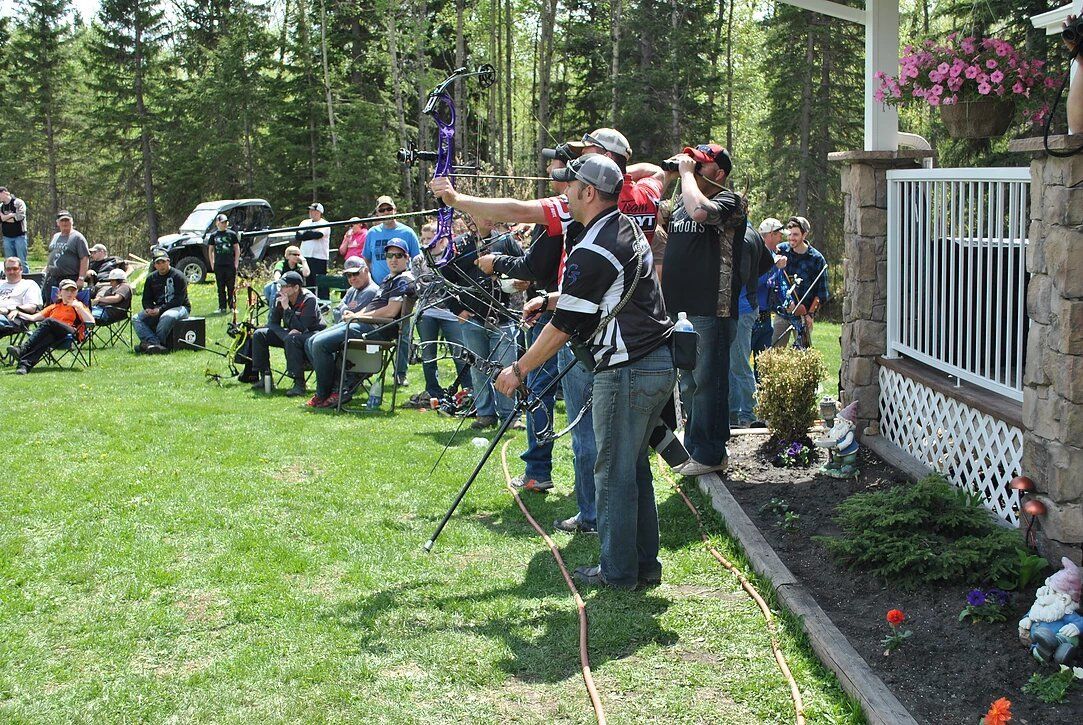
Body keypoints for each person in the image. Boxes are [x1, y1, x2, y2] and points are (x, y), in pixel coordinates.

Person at [431, 127, 666, 528]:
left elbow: (519, 210)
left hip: (594, 332)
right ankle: (607, 519)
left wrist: (457, 199)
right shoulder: (642, 194)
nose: (570, 174)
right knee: (621, 442)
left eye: (583, 158)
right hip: (619, 315)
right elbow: (658, 171)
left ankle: (595, 516)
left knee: (591, 433)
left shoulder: (589, 203)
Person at [493, 155, 675, 589]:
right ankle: (644, 566)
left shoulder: (595, 246)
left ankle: (617, 572)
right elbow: (601, 293)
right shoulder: (623, 227)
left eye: (569, 185)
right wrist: (554, 298)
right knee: (633, 469)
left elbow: (562, 330)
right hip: (654, 364)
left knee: (611, 471)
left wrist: (518, 369)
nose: (563, 192)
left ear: (588, 192)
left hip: (627, 370)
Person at [661, 144, 769, 476]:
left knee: (709, 382)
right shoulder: (681, 201)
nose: (692, 168)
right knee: (690, 382)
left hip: (712, 310)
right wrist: (667, 176)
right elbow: (652, 215)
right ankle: (695, 447)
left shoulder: (730, 202)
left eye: (701, 165)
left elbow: (700, 213)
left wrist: (685, 175)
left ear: (719, 174)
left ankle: (711, 453)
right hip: (680, 311)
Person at [304, 248, 414, 408]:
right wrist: (355, 315)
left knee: (319, 344)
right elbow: (371, 307)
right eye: (389, 255)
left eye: (398, 256)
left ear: (406, 258)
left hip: (378, 330)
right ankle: (338, 389)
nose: (393, 259)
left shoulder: (404, 280)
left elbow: (391, 312)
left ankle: (328, 392)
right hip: (364, 324)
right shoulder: (389, 279)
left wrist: (357, 317)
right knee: (311, 340)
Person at [443, 217, 523, 429]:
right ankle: (485, 414)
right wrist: (456, 309)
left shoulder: (506, 242)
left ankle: (511, 416)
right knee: (478, 369)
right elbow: (444, 279)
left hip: (504, 317)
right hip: (472, 319)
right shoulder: (458, 246)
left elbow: (525, 268)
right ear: (470, 217)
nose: (486, 218)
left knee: (508, 368)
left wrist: (519, 282)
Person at [363, 196, 421, 386]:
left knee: (402, 331)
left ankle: (400, 373)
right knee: (368, 325)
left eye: (389, 209)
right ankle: (365, 370)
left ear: (395, 210)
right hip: (379, 287)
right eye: (382, 210)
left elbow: (417, 260)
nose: (386, 213)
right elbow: (368, 259)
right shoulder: (372, 233)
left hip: (402, 287)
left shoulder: (407, 232)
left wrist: (409, 282)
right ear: (377, 213)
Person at [729, 222, 782, 428]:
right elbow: (768, 262)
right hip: (743, 307)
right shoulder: (750, 232)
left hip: (742, 308)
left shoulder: (743, 237)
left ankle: (751, 413)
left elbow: (744, 273)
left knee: (739, 363)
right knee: (733, 362)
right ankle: (732, 413)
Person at [410, 224, 468, 405]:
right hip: (427, 311)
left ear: (442, 239)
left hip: (451, 313)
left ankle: (467, 391)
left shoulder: (451, 257)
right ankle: (433, 391)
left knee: (460, 353)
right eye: (424, 239)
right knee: (429, 354)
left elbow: (453, 285)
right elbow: (420, 285)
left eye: (430, 239)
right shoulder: (419, 260)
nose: (427, 242)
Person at [250, 270, 324, 396]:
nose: (281, 289)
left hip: (312, 334)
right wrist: (285, 335)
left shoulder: (309, 300)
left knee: (293, 339)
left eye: (285, 286)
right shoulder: (279, 298)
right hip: (291, 334)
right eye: (281, 286)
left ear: (296, 287)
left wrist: (287, 309)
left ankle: (299, 384)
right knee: (259, 334)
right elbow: (272, 324)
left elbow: (301, 327)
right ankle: (265, 377)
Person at [6, 279, 94, 374]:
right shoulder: (54, 306)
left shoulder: (78, 305)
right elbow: (33, 318)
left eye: (72, 290)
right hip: (56, 335)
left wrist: (80, 308)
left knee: (49, 321)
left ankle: (23, 349)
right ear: (60, 292)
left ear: (76, 292)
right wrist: (17, 312)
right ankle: (24, 366)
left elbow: (91, 322)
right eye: (66, 290)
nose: (70, 293)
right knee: (47, 337)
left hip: (71, 333)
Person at [772, 216, 828, 348]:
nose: (791, 238)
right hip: (782, 313)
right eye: (789, 234)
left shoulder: (817, 259)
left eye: (796, 234)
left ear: (805, 234)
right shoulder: (780, 250)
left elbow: (822, 293)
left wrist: (810, 314)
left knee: (803, 355)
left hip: (803, 315)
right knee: (774, 352)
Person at [134, 251, 191, 354]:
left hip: (180, 307)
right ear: (154, 265)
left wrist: (160, 310)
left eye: (163, 262)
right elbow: (146, 298)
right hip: (159, 308)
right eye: (158, 263)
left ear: (168, 262)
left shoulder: (178, 276)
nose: (161, 265)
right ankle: (155, 344)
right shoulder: (151, 278)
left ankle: (150, 346)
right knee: (136, 318)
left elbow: (178, 300)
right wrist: (148, 308)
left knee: (167, 316)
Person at [751, 218, 786, 365]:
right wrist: (772, 267)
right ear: (771, 234)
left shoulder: (774, 255)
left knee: (764, 364)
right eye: (779, 235)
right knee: (742, 363)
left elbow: (779, 283)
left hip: (766, 320)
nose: (781, 238)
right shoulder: (756, 253)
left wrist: (788, 301)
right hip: (752, 319)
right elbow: (753, 282)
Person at [43, 210, 89, 296]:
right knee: (51, 304)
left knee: (67, 305)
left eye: (67, 220)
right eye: (62, 221)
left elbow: (84, 258)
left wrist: (81, 278)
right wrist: (46, 269)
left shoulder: (78, 237)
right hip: (52, 277)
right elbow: (52, 254)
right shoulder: (55, 236)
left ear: (72, 221)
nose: (64, 223)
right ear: (58, 223)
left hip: (69, 278)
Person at [0, 256, 43, 340]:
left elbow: (32, 307)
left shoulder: (29, 284)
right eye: (8, 269)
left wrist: (9, 309)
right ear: (4, 271)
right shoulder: (1, 283)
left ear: (21, 269)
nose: (11, 272)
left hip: (12, 318)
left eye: (15, 268)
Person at [206, 213, 241, 313]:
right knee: (220, 287)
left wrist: (236, 262)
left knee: (231, 287)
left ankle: (232, 307)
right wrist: (212, 262)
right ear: (217, 223)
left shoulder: (232, 234)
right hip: (219, 264)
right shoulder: (213, 235)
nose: (224, 224)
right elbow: (210, 250)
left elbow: (237, 248)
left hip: (230, 264)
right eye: (222, 222)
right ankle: (222, 307)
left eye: (225, 222)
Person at [294, 202, 330, 284]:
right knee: (306, 280)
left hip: (319, 257)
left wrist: (306, 234)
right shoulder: (304, 222)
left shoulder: (324, 223)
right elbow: (298, 236)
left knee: (318, 282)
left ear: (319, 212)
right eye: (310, 210)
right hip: (305, 256)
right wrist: (310, 234)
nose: (311, 212)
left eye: (313, 211)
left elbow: (318, 235)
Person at [0, 188, 29, 273]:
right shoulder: (1, 206)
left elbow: (19, 217)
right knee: (9, 262)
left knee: (22, 262)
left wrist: (5, 217)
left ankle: (26, 279)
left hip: (20, 236)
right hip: (7, 237)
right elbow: (1, 219)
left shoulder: (18, 203)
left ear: (4, 193)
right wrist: (12, 215)